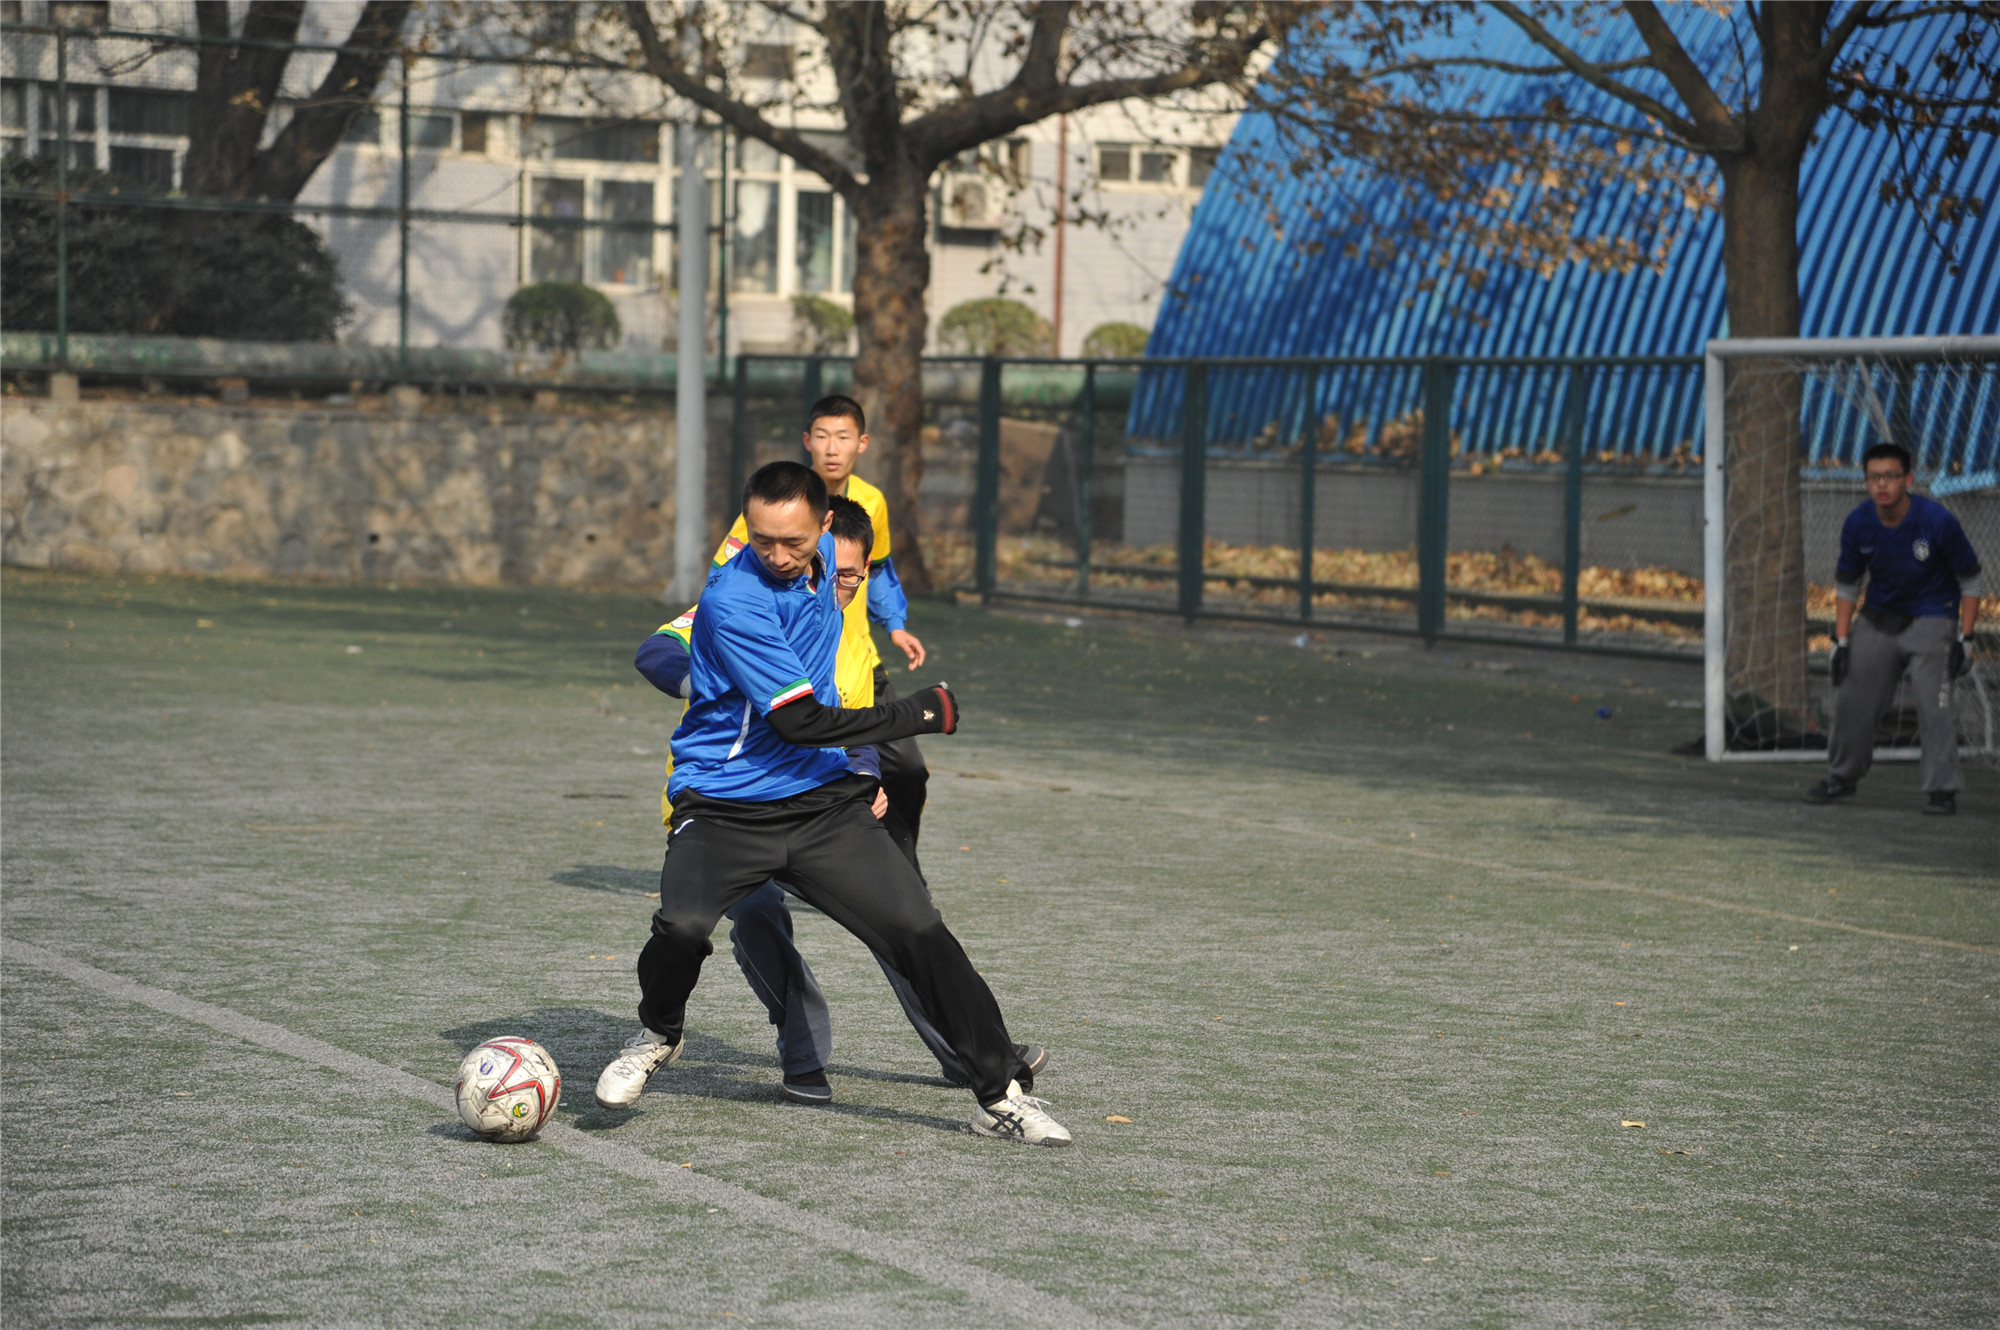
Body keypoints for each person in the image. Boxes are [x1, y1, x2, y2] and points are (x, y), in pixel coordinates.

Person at [598, 462, 1071, 1147]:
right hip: (726, 803)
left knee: (920, 932)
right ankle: (658, 1034)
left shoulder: (830, 565)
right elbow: (800, 722)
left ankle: (999, 1095)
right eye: (761, 540)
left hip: (819, 803)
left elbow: (845, 631)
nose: (777, 555)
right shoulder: (736, 599)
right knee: (682, 928)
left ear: (823, 527)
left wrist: (863, 768)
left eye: (793, 542)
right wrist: (919, 713)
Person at [716, 396, 933, 853]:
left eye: (843, 437)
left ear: (862, 443)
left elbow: (880, 566)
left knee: (907, 769)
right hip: (797, 661)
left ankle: (902, 866)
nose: (832, 448)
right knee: (807, 767)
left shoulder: (872, 501)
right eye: (822, 436)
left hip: (858, 662)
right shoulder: (777, 507)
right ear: (807, 441)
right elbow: (725, 575)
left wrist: (895, 624)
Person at [1806, 442, 1983, 815]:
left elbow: (1970, 580)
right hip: (1879, 617)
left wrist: (1965, 639)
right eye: (1874, 477)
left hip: (1933, 617)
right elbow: (1848, 586)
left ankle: (1942, 790)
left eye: (1890, 476)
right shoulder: (1858, 523)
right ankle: (1842, 775)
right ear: (1865, 482)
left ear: (1908, 480)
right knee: (1851, 697)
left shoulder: (1936, 521)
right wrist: (1840, 641)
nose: (1881, 485)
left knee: (1934, 705)